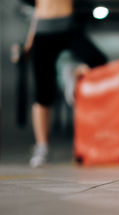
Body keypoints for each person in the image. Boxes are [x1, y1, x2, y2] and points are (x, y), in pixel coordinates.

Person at [23, 0, 107, 167]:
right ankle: (42, 146)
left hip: (67, 25)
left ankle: (75, 73)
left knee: (98, 60)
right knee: (43, 93)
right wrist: (30, 39)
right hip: (43, 29)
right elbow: (37, 10)